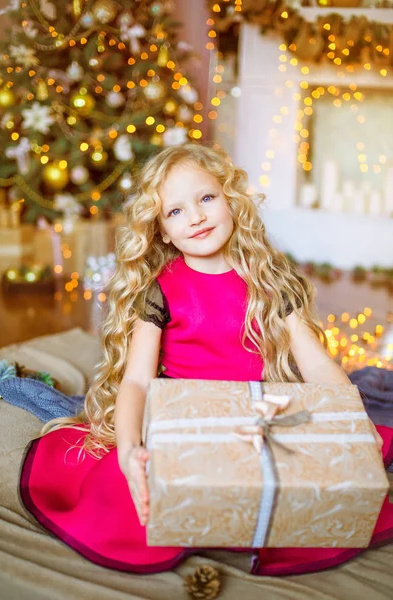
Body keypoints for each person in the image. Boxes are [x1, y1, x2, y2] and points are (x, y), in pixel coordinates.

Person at [20, 144, 392, 576]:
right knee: (136, 497)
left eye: (206, 198)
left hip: (257, 420)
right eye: (174, 211)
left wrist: (351, 420)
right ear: (160, 230)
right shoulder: (160, 289)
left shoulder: (271, 279)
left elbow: (317, 365)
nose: (195, 216)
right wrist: (128, 450)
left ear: (230, 200)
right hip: (187, 424)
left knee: (319, 491)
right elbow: (137, 382)